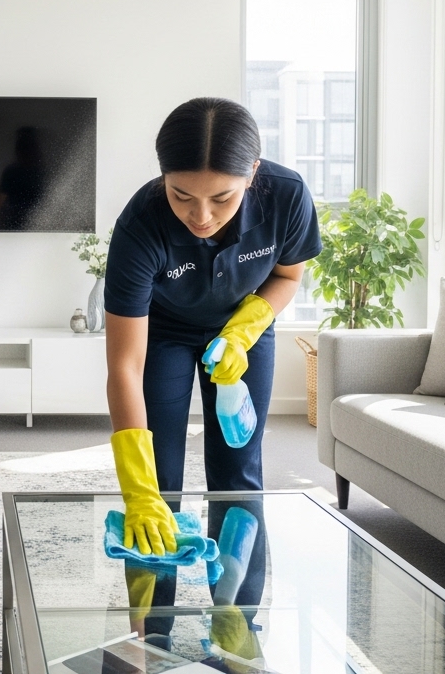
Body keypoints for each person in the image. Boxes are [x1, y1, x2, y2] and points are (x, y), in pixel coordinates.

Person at [104, 96, 322, 554]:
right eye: (181, 194)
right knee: (157, 479)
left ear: (252, 174)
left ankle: (236, 621)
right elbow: (125, 364)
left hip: (243, 329)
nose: (200, 216)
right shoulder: (141, 225)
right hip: (163, 332)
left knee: (238, 470)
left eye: (222, 197)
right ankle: (151, 625)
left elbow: (287, 276)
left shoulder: (286, 195)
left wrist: (242, 332)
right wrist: (138, 493)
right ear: (164, 177)